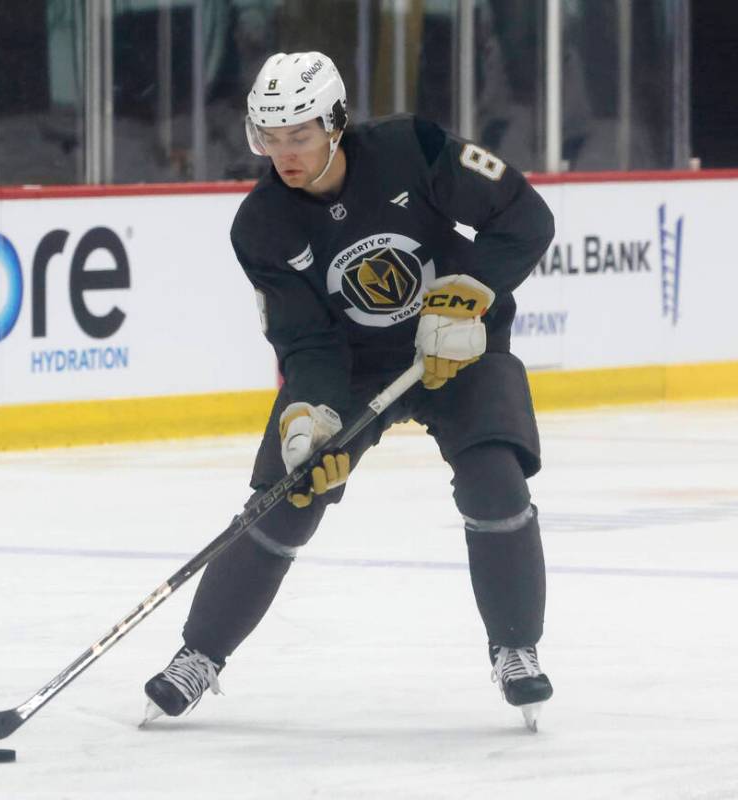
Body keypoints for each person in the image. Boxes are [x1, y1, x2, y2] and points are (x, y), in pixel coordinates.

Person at [143, 51, 555, 730]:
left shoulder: (413, 149)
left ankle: (516, 649)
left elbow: (524, 217)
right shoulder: (262, 226)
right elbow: (307, 343)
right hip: (354, 369)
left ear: (335, 122)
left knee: (495, 480)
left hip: (454, 350)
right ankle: (200, 655)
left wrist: (469, 292)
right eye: (269, 139)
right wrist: (312, 418)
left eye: (299, 135)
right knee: (286, 500)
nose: (285, 155)